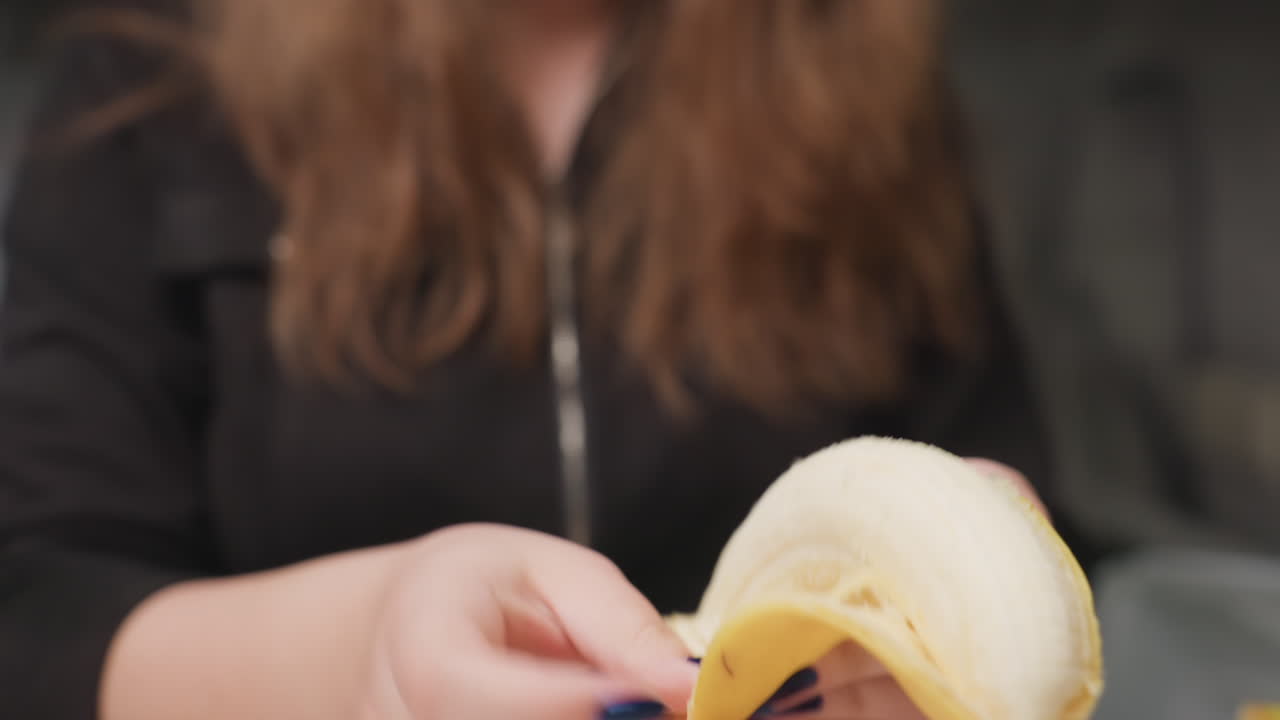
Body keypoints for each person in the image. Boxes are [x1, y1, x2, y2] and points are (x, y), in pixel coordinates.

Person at [0, 0, 1058, 718]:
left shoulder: (860, 79)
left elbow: (993, 460)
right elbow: (42, 609)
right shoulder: (152, 81)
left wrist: (984, 570)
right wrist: (366, 642)